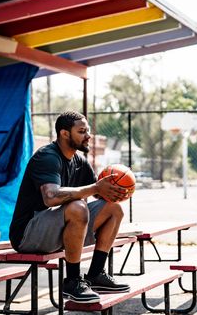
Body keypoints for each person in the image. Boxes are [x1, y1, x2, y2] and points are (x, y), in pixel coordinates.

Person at [9, 111, 130, 303]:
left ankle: (96, 274)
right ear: (64, 133)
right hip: (28, 234)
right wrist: (94, 188)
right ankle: (72, 281)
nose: (88, 136)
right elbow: (50, 197)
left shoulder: (79, 161)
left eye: (87, 131)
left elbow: (98, 193)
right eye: (82, 131)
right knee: (77, 207)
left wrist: (117, 189)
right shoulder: (47, 157)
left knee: (113, 208)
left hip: (56, 231)